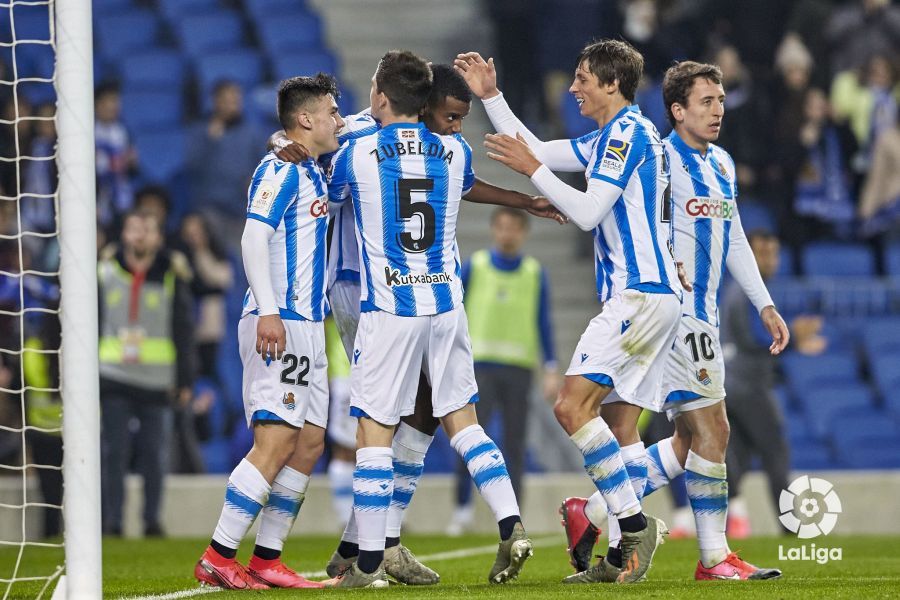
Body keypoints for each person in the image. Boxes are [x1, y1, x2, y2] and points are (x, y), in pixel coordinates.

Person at [272, 63, 562, 587]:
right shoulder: (395, 140)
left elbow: (327, 179)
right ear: (423, 104)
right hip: (375, 291)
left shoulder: (374, 146)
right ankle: (386, 545)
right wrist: (283, 142)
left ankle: (367, 550)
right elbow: (309, 136)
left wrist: (525, 202)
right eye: (450, 116)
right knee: (431, 417)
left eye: (457, 119)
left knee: (404, 420)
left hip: (394, 298)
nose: (454, 126)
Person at [456, 40, 677, 584]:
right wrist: (492, 96)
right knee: (619, 428)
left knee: (571, 407)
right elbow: (534, 144)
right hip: (647, 296)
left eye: (582, 79)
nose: (572, 88)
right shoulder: (608, 136)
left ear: (610, 84)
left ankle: (631, 525)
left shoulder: (627, 132)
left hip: (641, 294)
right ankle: (616, 552)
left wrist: (532, 171)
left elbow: (585, 210)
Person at [559, 61, 789, 581]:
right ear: (677, 109)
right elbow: (635, 218)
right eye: (706, 102)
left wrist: (764, 303)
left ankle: (592, 512)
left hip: (701, 314)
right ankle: (713, 558)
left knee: (690, 440)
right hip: (671, 312)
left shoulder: (723, 165)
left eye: (721, 101)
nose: (718, 111)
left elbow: (731, 237)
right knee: (712, 430)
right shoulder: (657, 154)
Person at [193, 74, 344, 590]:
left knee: (309, 443)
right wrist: (269, 311)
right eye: (330, 110)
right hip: (279, 322)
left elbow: (372, 120)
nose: (338, 119)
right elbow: (253, 237)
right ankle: (218, 554)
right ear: (305, 119)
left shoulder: (313, 167)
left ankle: (267, 559)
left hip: (308, 325)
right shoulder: (280, 170)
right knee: (276, 440)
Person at [447, 206, 560, 534]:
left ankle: (513, 515)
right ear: (494, 230)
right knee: (468, 440)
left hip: (519, 369)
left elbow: (544, 322)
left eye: (514, 227)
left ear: (523, 232)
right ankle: (462, 509)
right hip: (478, 367)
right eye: (502, 227)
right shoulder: (476, 266)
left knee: (515, 443)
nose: (507, 234)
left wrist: (551, 367)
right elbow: (455, 312)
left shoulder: (534, 272)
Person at [99, 210, 194, 538]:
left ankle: (151, 520)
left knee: (156, 454)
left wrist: (185, 380)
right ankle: (111, 521)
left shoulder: (170, 275)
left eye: (148, 228)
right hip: (113, 376)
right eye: (134, 227)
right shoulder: (105, 271)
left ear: (158, 238)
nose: (140, 234)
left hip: (157, 380)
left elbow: (184, 331)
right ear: (123, 234)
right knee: (114, 452)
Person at [722, 230, 812, 537]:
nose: (770, 260)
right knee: (776, 453)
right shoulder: (749, 293)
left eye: (773, 253)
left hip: (733, 386)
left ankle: (727, 520)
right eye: (762, 253)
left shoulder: (738, 292)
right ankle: (790, 527)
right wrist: (796, 340)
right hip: (748, 386)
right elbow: (752, 339)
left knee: (741, 458)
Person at [186, 80, 267, 252]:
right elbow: (192, 167)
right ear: (216, 102)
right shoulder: (202, 131)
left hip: (241, 209)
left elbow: (264, 166)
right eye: (228, 101)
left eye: (236, 101)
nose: (233, 106)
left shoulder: (252, 132)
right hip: (209, 208)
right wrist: (210, 140)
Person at [94, 82, 136, 234]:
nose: (113, 106)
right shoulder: (88, 131)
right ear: (96, 104)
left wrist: (132, 163)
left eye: (116, 101)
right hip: (96, 198)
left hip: (121, 199)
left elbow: (132, 169)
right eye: (108, 101)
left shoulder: (123, 132)